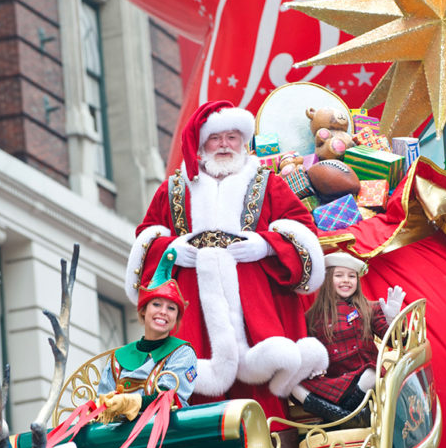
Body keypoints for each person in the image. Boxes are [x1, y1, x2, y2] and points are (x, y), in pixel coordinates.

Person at [125, 100, 328, 427]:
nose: (224, 145)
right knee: (193, 389)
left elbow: (304, 230)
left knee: (260, 391)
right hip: (193, 308)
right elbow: (146, 239)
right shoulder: (175, 189)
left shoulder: (268, 183)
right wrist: (173, 248)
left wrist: (265, 245)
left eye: (232, 137)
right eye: (216, 138)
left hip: (254, 307)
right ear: (201, 143)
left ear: (243, 142)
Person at [292, 252, 405, 424]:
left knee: (371, 373)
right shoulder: (311, 317)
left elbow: (396, 341)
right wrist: (311, 365)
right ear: (328, 280)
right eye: (339, 275)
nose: (346, 280)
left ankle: (340, 418)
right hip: (335, 381)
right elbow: (308, 349)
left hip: (362, 378)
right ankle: (349, 418)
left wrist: (393, 321)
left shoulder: (370, 309)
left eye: (351, 276)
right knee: (292, 384)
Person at [97, 251, 197, 422]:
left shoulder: (182, 352)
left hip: (164, 436)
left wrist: (130, 402)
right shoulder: (118, 358)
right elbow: (102, 406)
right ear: (144, 310)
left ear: (176, 318)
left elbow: (169, 398)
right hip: (119, 440)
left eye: (171, 308)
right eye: (156, 304)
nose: (163, 312)